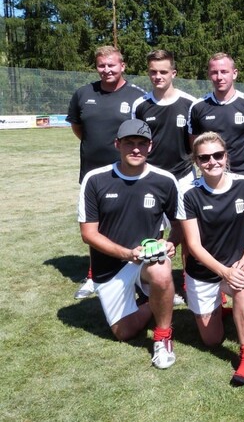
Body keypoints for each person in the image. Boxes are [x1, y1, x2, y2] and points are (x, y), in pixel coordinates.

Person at [77, 119, 180, 369]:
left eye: (141, 144)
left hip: (147, 260)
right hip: (110, 266)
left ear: (150, 147)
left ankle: (162, 337)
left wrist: (170, 243)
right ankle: (151, 302)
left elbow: (179, 225)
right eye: (129, 143)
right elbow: (88, 234)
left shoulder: (165, 180)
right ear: (117, 144)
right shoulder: (95, 179)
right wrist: (126, 253)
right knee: (123, 332)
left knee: (161, 269)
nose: (136, 149)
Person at [188, 52, 244, 312]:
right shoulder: (198, 107)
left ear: (234, 73)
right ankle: (218, 290)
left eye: (224, 71)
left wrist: (243, 172)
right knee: (207, 231)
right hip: (210, 180)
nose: (219, 76)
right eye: (214, 72)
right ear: (209, 74)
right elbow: (195, 146)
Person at [177, 132, 244, 386]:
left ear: (226, 156)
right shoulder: (188, 193)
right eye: (204, 158)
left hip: (236, 267)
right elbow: (193, 245)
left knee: (242, 284)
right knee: (212, 340)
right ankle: (221, 308)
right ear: (196, 162)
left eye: (218, 155)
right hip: (203, 272)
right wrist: (224, 272)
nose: (212, 161)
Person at [68, 45, 145, 300]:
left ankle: (140, 275)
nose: (107, 70)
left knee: (137, 223)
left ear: (122, 66)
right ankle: (94, 275)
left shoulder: (137, 97)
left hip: (128, 173)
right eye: (102, 65)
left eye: (112, 65)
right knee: (95, 226)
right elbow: (79, 129)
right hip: (93, 175)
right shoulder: (83, 94)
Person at [132, 49, 198, 189]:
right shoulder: (139, 105)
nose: (158, 76)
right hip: (151, 175)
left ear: (173, 74)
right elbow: (136, 142)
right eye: (153, 72)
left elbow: (197, 143)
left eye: (163, 72)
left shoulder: (191, 104)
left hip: (184, 177)